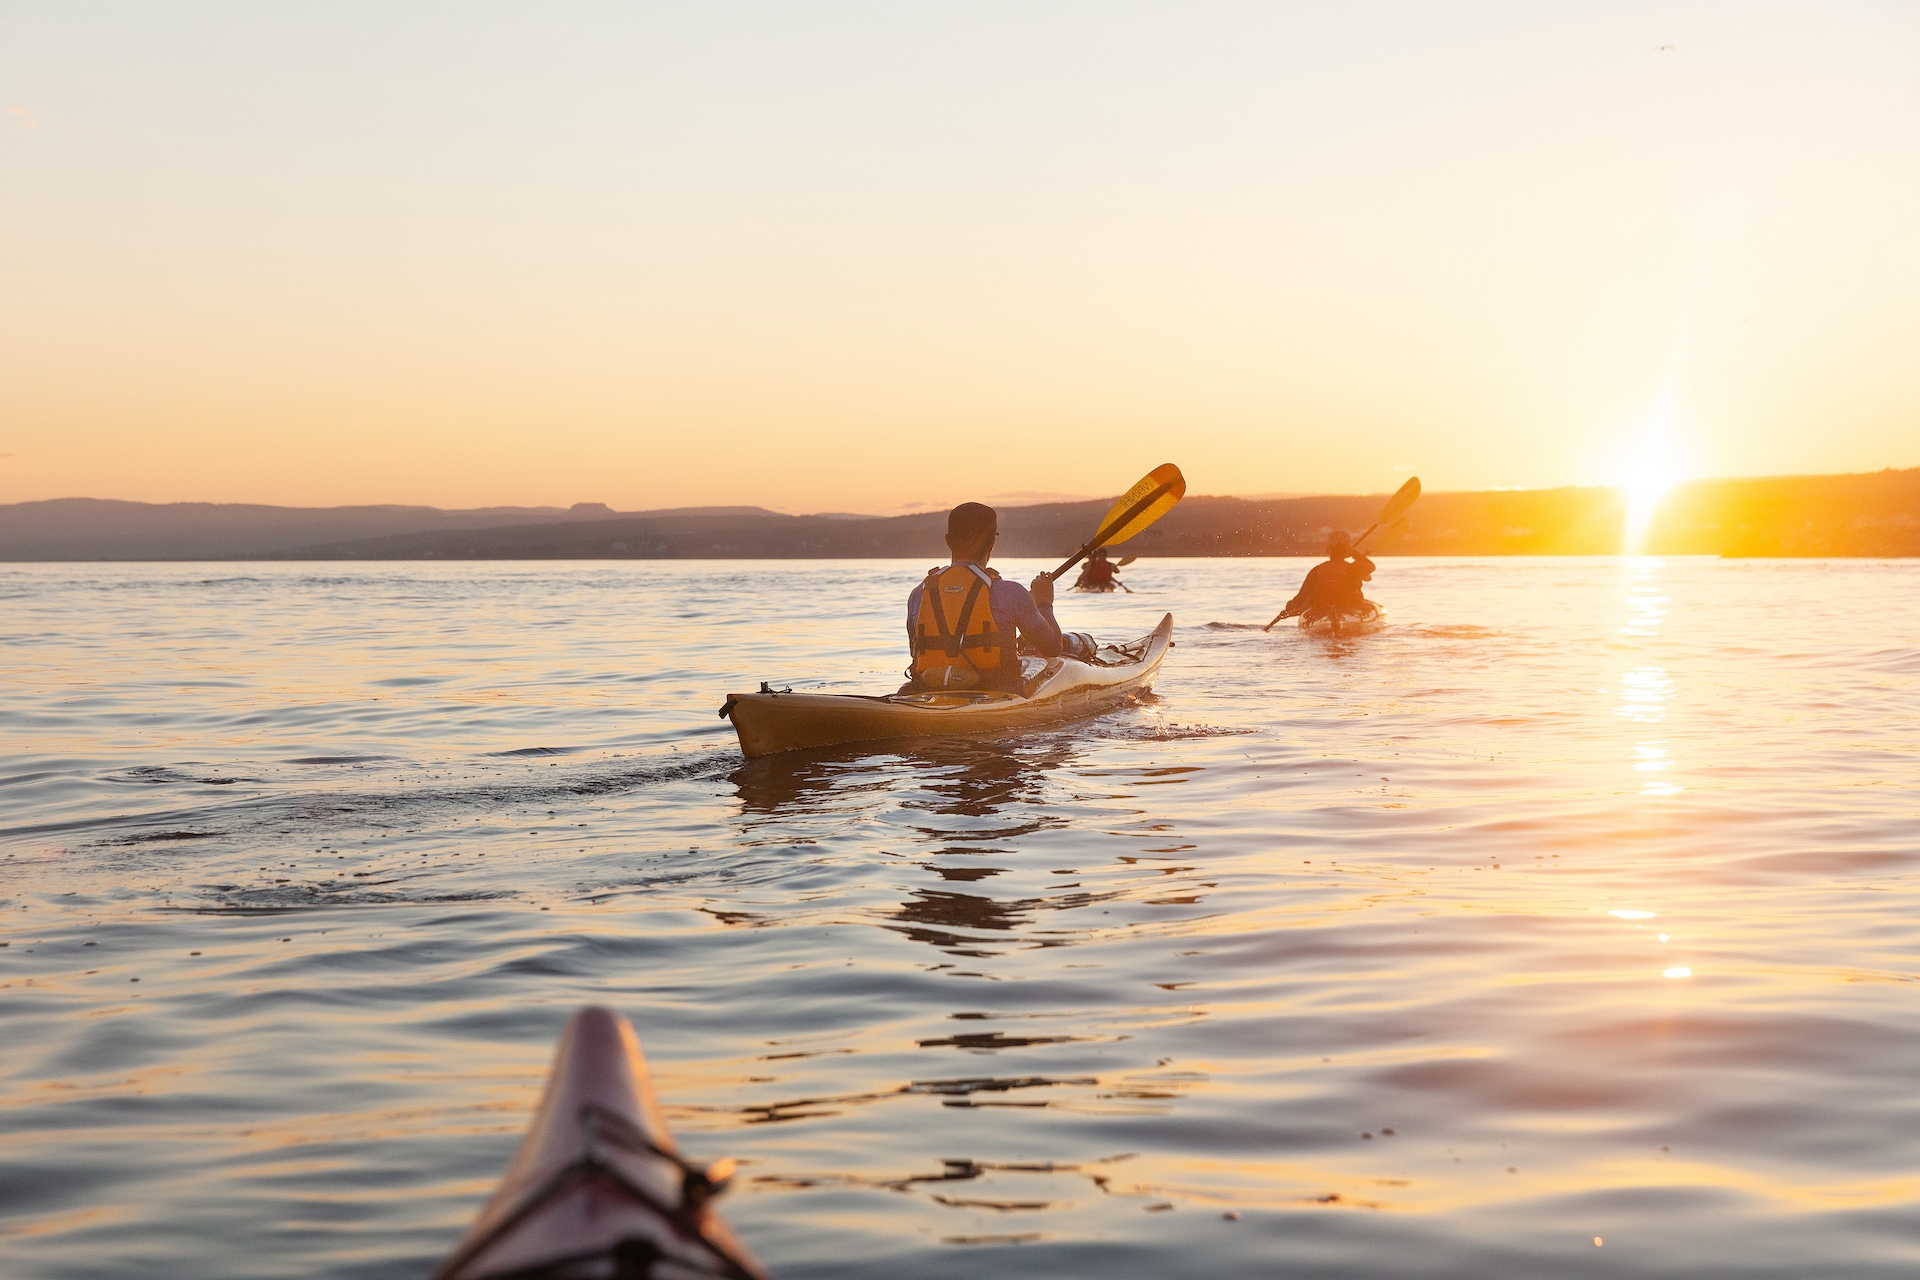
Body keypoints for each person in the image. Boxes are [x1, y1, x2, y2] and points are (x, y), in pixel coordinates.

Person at [906, 502, 1062, 692]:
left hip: (927, 691)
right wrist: (1044, 602)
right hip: (995, 691)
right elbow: (1052, 647)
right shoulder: (1011, 593)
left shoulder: (919, 593)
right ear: (992, 542)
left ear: (948, 541)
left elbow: (916, 652)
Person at [1280, 530, 1375, 629]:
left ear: (1328, 550)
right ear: (1347, 551)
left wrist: (1290, 606)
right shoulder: (1352, 569)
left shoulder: (1317, 570)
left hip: (1322, 608)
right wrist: (1354, 553)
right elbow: (1371, 566)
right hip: (1348, 606)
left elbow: (1302, 597)